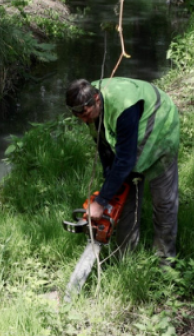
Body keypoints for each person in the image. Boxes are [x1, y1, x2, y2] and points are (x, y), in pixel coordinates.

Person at [66, 78, 180, 265]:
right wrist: (108, 190)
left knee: (163, 201)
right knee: (124, 195)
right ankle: (126, 259)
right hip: (131, 132)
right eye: (79, 116)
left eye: (86, 114)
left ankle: (165, 262)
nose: (84, 120)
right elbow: (104, 148)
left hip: (161, 126)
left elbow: (125, 160)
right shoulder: (84, 102)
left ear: (96, 99)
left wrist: (102, 201)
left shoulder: (124, 107)